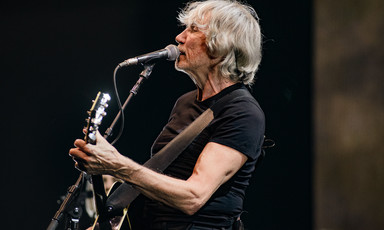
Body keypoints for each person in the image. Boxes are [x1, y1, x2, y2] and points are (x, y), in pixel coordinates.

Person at [69, 0, 265, 229]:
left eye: (193, 29)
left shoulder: (242, 112)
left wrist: (117, 164)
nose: (179, 38)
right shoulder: (185, 103)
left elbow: (193, 196)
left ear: (221, 44)